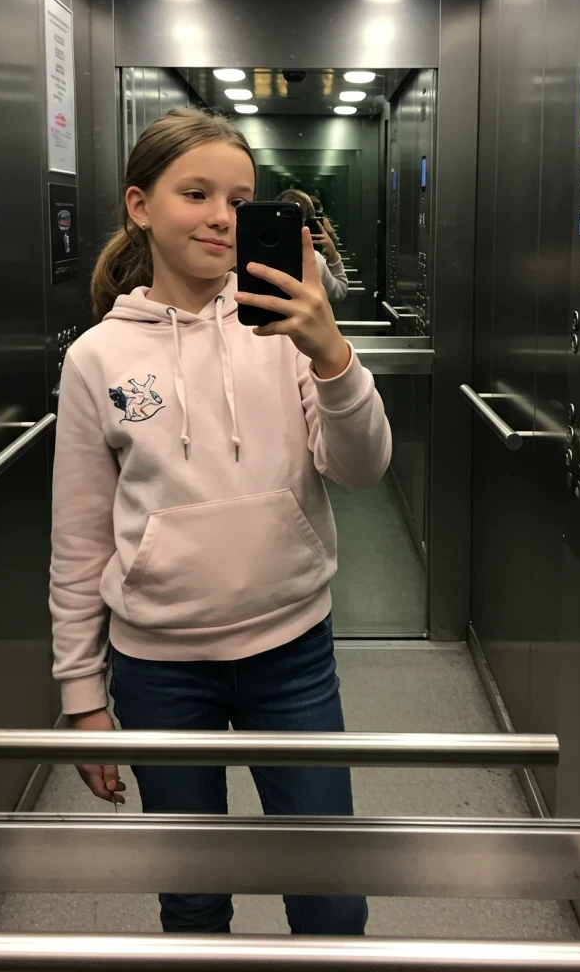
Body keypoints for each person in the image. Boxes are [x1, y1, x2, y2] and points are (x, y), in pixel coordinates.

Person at [50, 107, 391, 937]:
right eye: (194, 192)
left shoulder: (288, 331)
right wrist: (82, 693)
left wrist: (331, 352)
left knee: (330, 893)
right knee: (193, 895)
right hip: (158, 665)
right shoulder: (97, 357)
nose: (219, 217)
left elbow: (364, 466)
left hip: (291, 650)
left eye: (239, 201)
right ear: (140, 206)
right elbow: (80, 536)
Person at [276, 188, 348, 304]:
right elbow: (339, 291)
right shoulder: (313, 259)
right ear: (309, 224)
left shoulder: (256, 254)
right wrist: (333, 256)